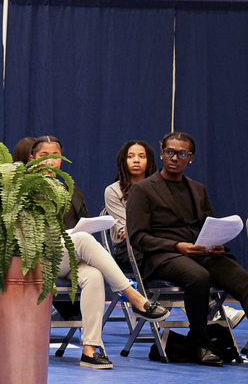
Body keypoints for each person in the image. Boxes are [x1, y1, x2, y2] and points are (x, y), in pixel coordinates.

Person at [29, 136, 168, 369]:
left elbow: (83, 227)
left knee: (93, 275)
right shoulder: (23, 189)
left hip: (69, 257)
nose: (51, 162)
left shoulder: (72, 191)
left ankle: (90, 349)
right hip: (39, 259)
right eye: (45, 156)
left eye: (56, 156)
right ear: (32, 159)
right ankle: (132, 296)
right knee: (81, 239)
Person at [127, 131, 248, 366]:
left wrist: (216, 244)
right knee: (198, 277)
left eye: (182, 153)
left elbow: (209, 225)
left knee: (242, 279)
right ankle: (201, 343)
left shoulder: (198, 189)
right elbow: (138, 237)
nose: (174, 157)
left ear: (190, 158)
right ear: (162, 152)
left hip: (200, 252)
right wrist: (177, 246)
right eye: (170, 152)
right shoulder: (143, 189)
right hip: (164, 256)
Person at [103, 140, 157, 266]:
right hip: (128, 248)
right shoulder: (113, 191)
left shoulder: (158, 188)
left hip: (158, 242)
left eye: (142, 156)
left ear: (149, 161)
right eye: (130, 156)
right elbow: (128, 232)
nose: (136, 160)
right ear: (123, 161)